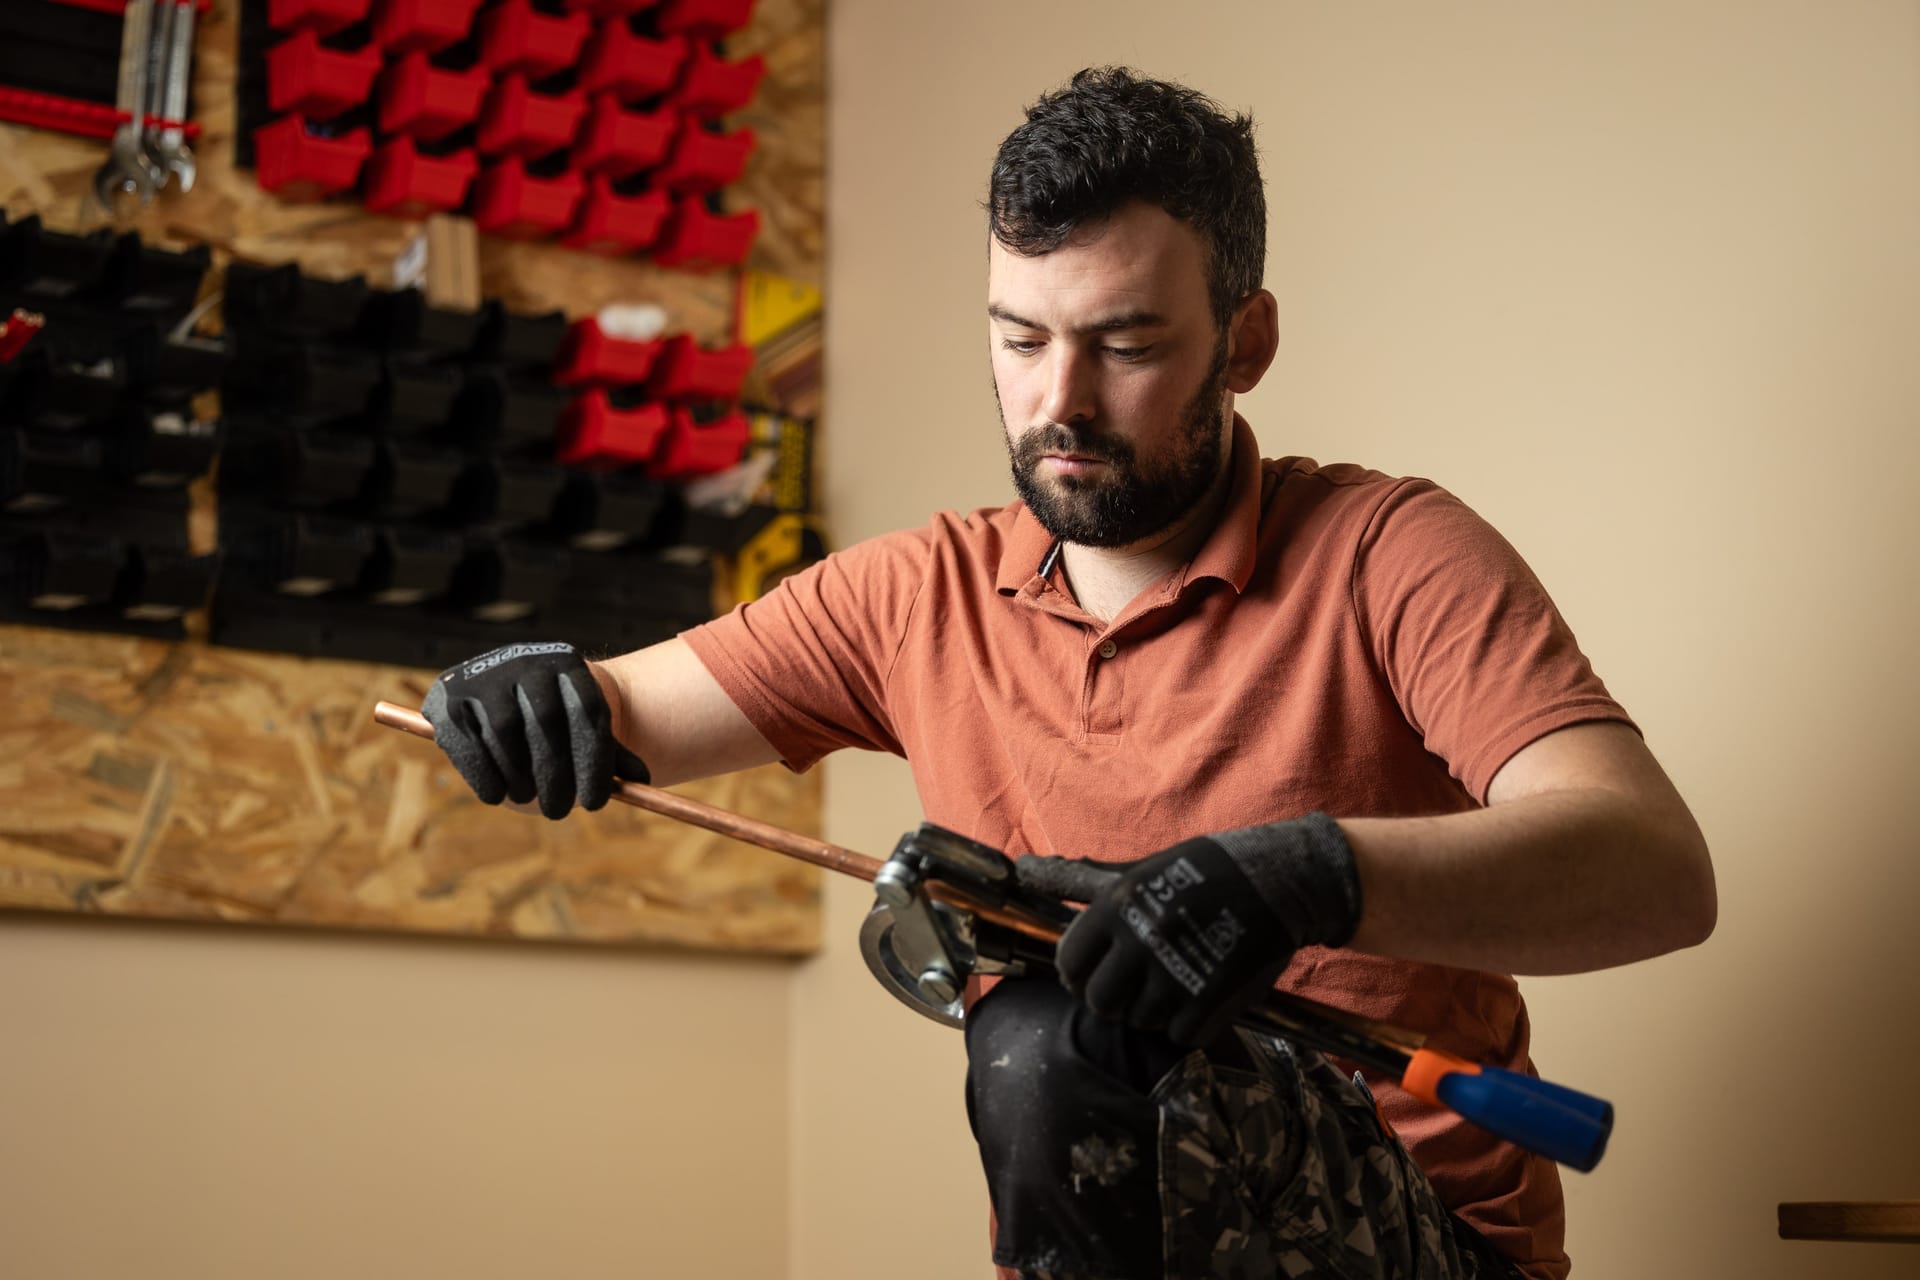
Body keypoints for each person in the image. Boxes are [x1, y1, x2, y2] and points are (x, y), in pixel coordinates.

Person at [420, 67, 1715, 1280]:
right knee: (1055, 1034)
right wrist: (516, 686)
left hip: (1414, 1244)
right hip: (1116, 1241)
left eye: (1127, 345)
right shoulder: (920, 594)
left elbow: (1655, 869)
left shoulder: (1388, 555)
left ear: (1246, 342)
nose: (1061, 403)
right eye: (1021, 340)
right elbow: (611, 714)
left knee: (1047, 1034)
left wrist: (1302, 877)